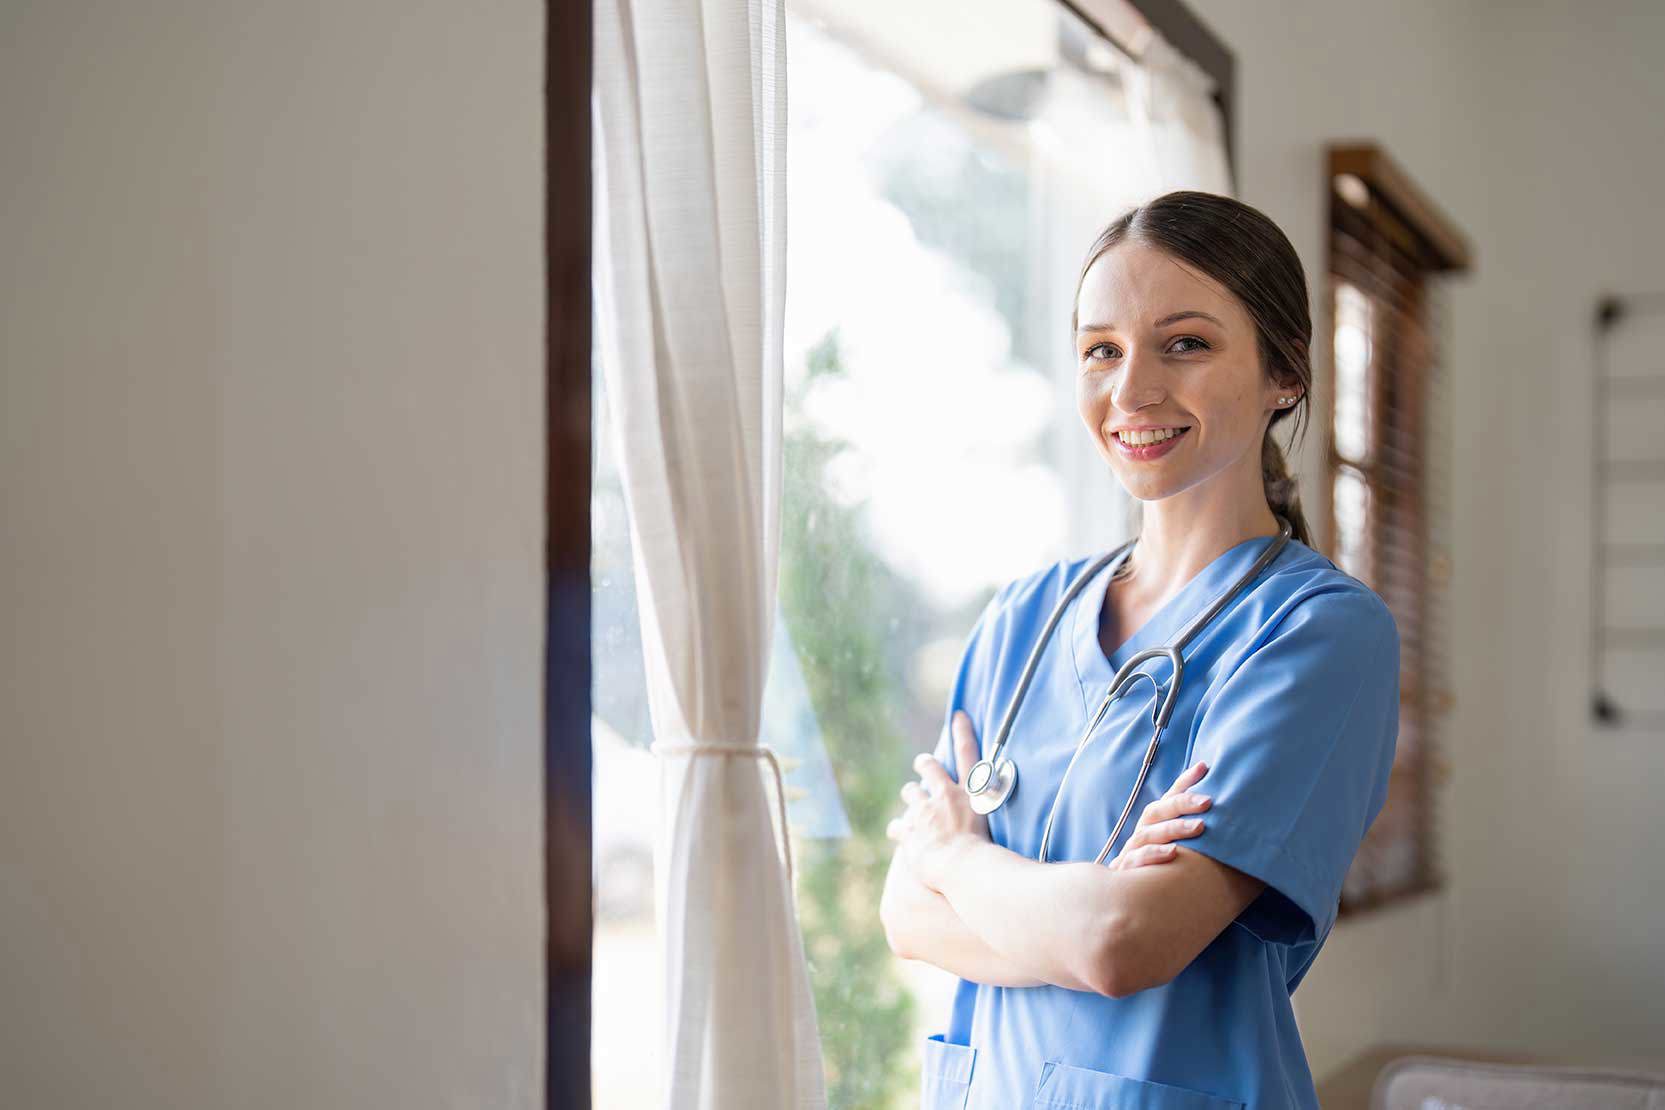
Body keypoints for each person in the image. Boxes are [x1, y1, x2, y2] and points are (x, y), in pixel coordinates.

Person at [880, 190, 1401, 1110]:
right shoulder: (1024, 619)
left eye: (1185, 344)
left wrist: (962, 863)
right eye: (1100, 350)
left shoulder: (1317, 634)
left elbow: (1124, 946)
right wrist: (1079, 909)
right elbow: (902, 915)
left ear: (1285, 373)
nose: (1131, 391)